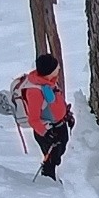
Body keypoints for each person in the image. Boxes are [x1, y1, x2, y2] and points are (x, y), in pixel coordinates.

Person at [25, 53, 71, 181]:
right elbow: (33, 119)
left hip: (59, 126)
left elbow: (56, 103)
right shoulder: (35, 91)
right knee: (52, 159)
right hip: (49, 131)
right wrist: (46, 133)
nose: (59, 69)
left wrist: (66, 113)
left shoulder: (50, 82)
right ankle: (48, 183)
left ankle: (56, 180)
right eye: (56, 67)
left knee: (60, 154)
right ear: (49, 71)